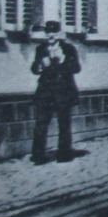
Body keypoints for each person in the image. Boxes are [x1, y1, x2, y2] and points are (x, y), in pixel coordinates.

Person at [30, 21, 81, 163]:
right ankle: (38, 156)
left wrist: (65, 61)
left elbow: (76, 68)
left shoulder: (69, 49)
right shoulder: (41, 49)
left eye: (53, 32)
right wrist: (40, 64)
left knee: (64, 124)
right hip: (45, 93)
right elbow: (34, 69)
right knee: (40, 124)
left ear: (59, 34)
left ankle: (64, 154)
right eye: (48, 32)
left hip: (63, 92)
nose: (50, 35)